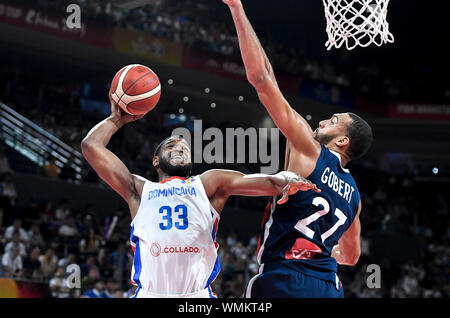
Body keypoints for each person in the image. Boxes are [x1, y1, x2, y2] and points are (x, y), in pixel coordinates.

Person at [81, 95, 320, 298]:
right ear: (156, 160)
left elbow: (266, 181)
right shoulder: (140, 190)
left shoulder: (207, 184)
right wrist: (117, 118)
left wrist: (288, 181)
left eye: (184, 147)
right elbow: (91, 146)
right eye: (171, 146)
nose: (179, 148)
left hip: (196, 297)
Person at [223, 0, 373, 298]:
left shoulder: (308, 148)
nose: (322, 121)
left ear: (343, 141)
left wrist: (236, 8)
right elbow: (352, 258)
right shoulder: (354, 196)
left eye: (332, 121)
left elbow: (262, 79)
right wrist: (318, 254)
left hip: (283, 279)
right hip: (328, 287)